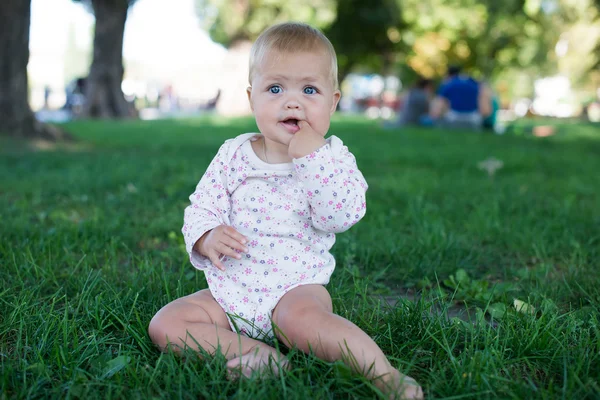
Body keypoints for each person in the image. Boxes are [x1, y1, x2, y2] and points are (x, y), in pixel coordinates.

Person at [148, 22, 423, 400]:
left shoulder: (332, 158)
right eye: (275, 88)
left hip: (296, 288)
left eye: (309, 90)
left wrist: (312, 158)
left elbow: (342, 215)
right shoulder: (233, 154)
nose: (292, 102)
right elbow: (202, 205)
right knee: (167, 323)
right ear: (252, 99)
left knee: (302, 322)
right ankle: (258, 356)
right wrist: (206, 235)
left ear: (333, 102)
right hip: (232, 289)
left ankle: (383, 374)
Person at [431, 66, 491, 130]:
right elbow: (485, 109)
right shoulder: (474, 83)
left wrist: (435, 118)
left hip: (454, 118)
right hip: (473, 119)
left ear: (448, 75)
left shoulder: (449, 84)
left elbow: (438, 105)